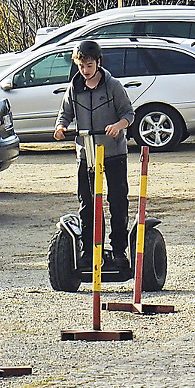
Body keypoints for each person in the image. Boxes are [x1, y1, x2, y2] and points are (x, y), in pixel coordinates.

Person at [54, 40, 135, 270]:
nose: (85, 70)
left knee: (117, 201)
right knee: (87, 203)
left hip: (113, 153)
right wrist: (61, 128)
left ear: (98, 63)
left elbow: (129, 114)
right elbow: (65, 113)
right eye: (81, 66)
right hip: (86, 154)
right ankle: (90, 250)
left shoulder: (113, 86)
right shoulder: (75, 87)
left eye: (89, 65)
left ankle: (119, 251)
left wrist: (118, 126)